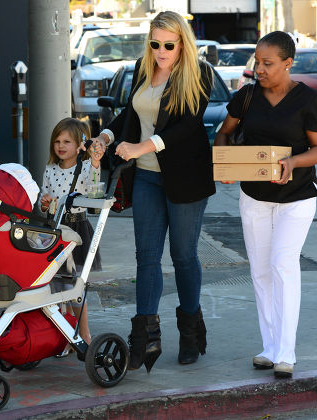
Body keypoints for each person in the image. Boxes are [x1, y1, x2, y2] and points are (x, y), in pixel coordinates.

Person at [89, 11, 216, 372]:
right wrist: (106, 137)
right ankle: (144, 339)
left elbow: (188, 125)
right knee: (146, 257)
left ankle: (190, 334)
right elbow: (130, 116)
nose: (160, 51)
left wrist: (141, 148)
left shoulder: (199, 73)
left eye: (168, 45)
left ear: (182, 44)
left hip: (185, 179)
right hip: (145, 178)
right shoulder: (143, 68)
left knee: (183, 256)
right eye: (155, 43)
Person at [214, 31, 317, 378]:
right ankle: (269, 347)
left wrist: (293, 162)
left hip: (298, 198)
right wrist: (226, 163)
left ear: (287, 64)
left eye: (267, 63)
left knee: (282, 264)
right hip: (254, 197)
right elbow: (224, 133)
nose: (259, 69)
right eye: (256, 62)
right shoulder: (246, 97)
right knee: (261, 272)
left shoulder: (308, 100)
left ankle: (286, 353)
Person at [39, 117, 105, 349]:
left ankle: (84, 333)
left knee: (73, 284)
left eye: (67, 141)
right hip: (54, 229)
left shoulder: (86, 167)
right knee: (56, 284)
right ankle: (66, 333)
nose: (61, 145)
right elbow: (43, 200)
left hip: (76, 229)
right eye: (57, 141)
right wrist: (45, 203)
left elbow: (95, 191)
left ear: (80, 145)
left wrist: (95, 161)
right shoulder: (50, 169)